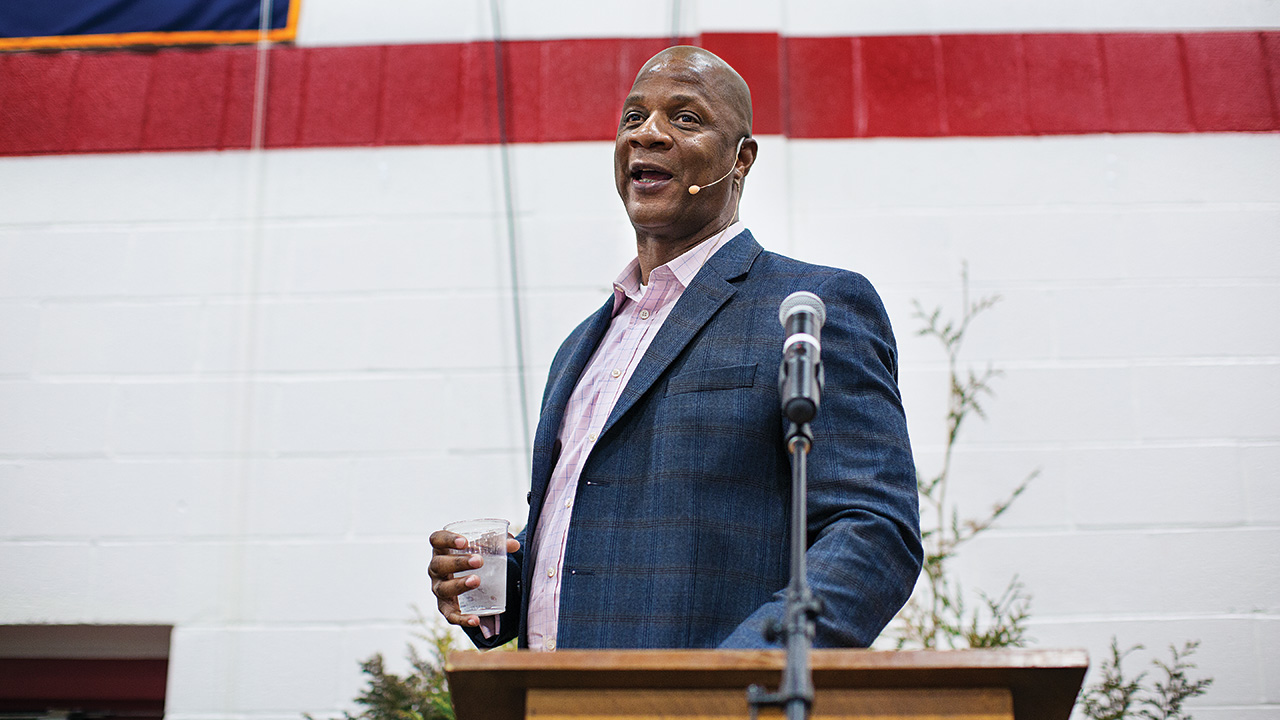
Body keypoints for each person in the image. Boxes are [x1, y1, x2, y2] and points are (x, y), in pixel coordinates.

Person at [428, 46, 921, 651]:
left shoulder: (810, 306)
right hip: (552, 699)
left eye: (684, 118)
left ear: (741, 159)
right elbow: (596, 546)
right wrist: (496, 581)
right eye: (633, 118)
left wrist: (737, 680)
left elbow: (872, 534)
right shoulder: (582, 346)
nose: (648, 133)